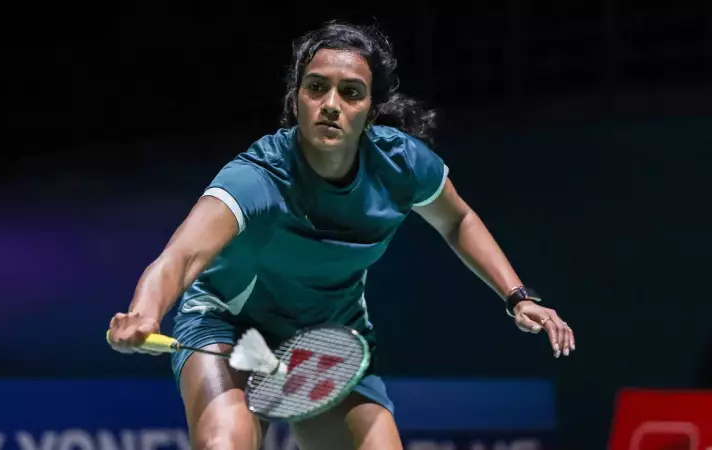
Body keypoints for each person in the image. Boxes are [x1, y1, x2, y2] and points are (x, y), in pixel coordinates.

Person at [107, 20, 575, 450]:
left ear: (371, 111)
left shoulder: (400, 165)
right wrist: (144, 312)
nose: (331, 104)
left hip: (327, 336)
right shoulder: (258, 177)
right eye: (317, 87)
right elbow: (183, 255)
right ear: (296, 99)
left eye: (351, 93)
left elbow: (457, 220)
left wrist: (517, 296)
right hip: (227, 322)